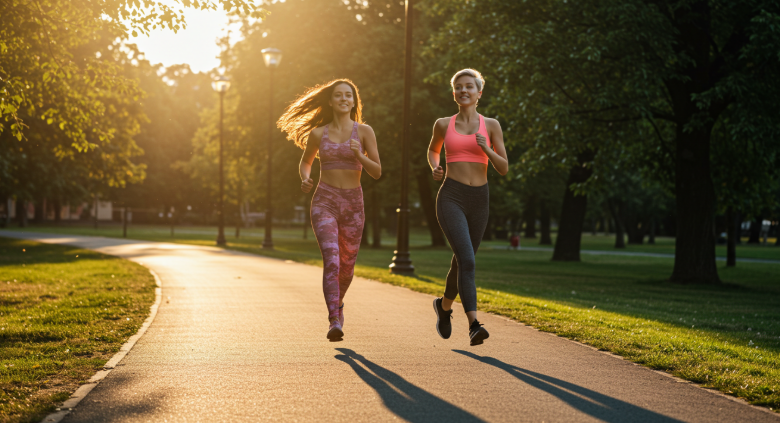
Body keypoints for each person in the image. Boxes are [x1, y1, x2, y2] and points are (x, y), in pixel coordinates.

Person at [278, 79, 381, 341]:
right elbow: (305, 163)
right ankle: (334, 319)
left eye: (349, 95)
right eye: (338, 95)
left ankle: (338, 304)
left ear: (354, 101)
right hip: (324, 200)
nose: (344, 99)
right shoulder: (318, 133)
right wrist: (305, 178)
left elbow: (377, 172)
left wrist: (360, 155)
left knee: (346, 266)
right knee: (332, 260)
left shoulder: (365, 132)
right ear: (331, 101)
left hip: (353, 205)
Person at [427, 69, 509, 346]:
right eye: (459, 87)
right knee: (469, 261)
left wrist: (486, 150)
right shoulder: (442, 124)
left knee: (461, 260)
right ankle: (474, 324)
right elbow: (432, 150)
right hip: (451, 196)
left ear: (479, 93)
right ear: (454, 93)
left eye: (469, 87)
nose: (464, 91)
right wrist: (435, 166)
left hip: (480, 199)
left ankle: (444, 306)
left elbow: (504, 168)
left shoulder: (492, 125)